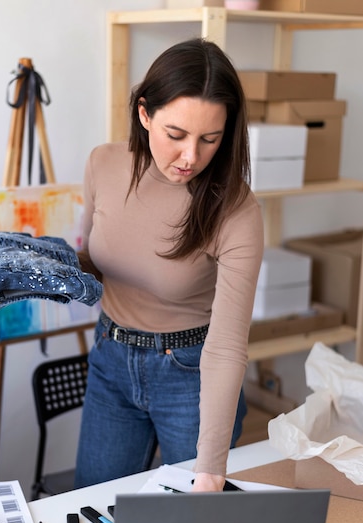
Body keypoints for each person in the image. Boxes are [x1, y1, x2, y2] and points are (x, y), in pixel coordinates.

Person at [75, 38, 263, 492]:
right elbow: (89, 261)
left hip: (192, 373)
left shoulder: (236, 210)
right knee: (89, 509)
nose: (191, 158)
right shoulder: (104, 164)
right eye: (175, 135)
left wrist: (212, 467)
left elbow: (227, 344)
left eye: (210, 139)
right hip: (110, 358)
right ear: (145, 114)